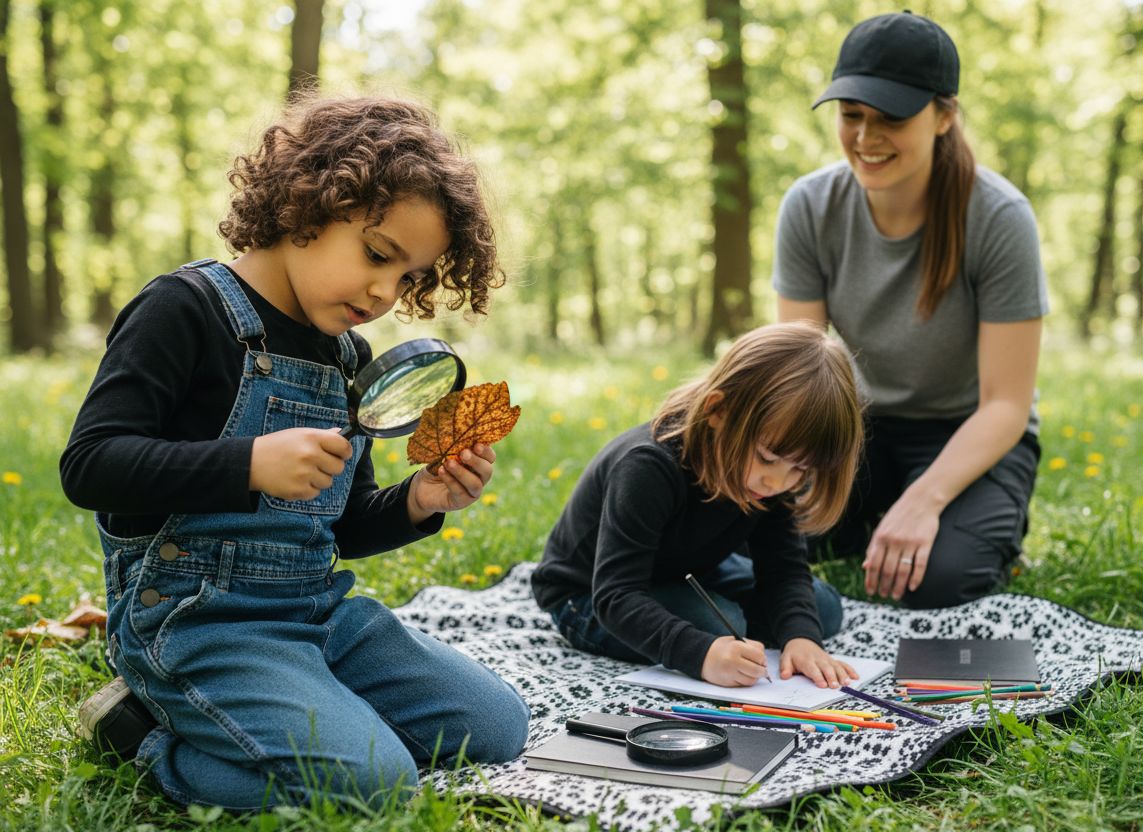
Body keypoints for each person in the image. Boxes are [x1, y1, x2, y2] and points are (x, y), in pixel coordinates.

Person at [60, 96, 529, 810]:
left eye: (408, 278)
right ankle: (140, 735)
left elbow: (343, 526)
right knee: (375, 782)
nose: (383, 291)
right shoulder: (185, 311)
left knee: (495, 725)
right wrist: (247, 465)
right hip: (196, 621)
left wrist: (421, 500)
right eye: (377, 254)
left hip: (313, 614)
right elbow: (90, 464)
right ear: (304, 203)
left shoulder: (349, 357)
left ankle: (309, 705)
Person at [772, 12, 1048, 609]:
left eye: (891, 118)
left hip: (967, 430)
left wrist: (926, 500)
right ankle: (876, 514)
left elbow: (1007, 404)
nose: (866, 139)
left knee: (939, 579)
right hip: (855, 430)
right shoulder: (809, 207)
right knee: (752, 540)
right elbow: (797, 374)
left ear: (944, 116)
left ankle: (963, 518)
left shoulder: (1000, 218)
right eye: (851, 116)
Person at [531, 322, 864, 689]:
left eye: (800, 469)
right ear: (718, 411)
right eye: (767, 458)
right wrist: (702, 655)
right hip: (589, 596)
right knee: (721, 627)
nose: (778, 483)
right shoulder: (647, 466)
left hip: (688, 569)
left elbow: (783, 566)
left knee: (820, 610)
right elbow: (616, 595)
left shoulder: (770, 476)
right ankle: (720, 631)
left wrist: (803, 640)